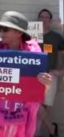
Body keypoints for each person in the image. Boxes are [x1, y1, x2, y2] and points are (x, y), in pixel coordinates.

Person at [37, 9, 64, 137]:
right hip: (33, 75)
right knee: (34, 103)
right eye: (41, 17)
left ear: (50, 20)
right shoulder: (31, 35)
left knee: (44, 105)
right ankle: (52, 129)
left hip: (49, 75)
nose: (43, 19)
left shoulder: (56, 37)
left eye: (46, 17)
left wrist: (61, 71)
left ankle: (43, 131)